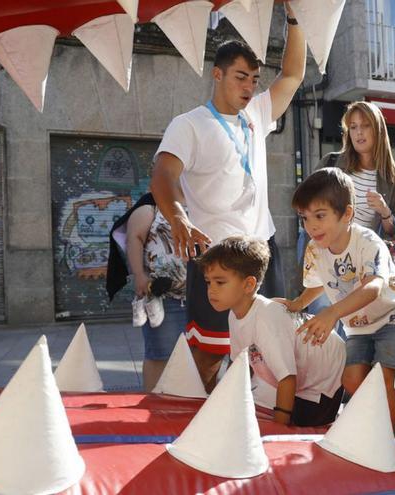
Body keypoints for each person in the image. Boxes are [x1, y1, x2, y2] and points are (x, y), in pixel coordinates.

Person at [150, 10, 306, 393]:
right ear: (216, 74)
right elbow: (162, 176)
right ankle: (195, 426)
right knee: (209, 352)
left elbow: (293, 75)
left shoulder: (257, 113)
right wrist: (178, 217)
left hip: (262, 249)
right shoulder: (189, 124)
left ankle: (253, 422)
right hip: (217, 251)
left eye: (254, 80)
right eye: (241, 77)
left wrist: (295, 20)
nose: (250, 87)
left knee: (266, 348)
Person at [277, 168, 395, 430]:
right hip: (359, 325)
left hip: (393, 317)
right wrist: (297, 304)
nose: (311, 226)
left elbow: (373, 287)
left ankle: (385, 444)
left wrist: (332, 314)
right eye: (305, 218)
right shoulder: (314, 250)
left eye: (320, 216)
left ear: (347, 214)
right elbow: (317, 285)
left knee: (381, 378)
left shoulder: (367, 241)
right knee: (352, 381)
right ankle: (393, 402)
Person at [197, 236, 345, 426]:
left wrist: (278, 428)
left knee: (296, 424)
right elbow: (239, 366)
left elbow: (288, 378)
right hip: (299, 377)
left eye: (220, 282)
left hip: (322, 384)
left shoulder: (266, 317)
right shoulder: (234, 315)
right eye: (208, 282)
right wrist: (222, 404)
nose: (211, 290)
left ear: (248, 284)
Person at [106, 193, 187, 391]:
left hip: (203, 296)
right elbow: (134, 239)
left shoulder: (201, 201)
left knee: (197, 353)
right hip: (164, 296)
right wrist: (140, 276)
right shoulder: (150, 207)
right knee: (160, 354)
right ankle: (153, 403)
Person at [317, 101, 395, 240]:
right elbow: (305, 208)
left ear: (378, 130)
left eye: (365, 125)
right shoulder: (330, 164)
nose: (359, 132)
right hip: (325, 255)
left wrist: (385, 211)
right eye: (353, 127)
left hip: (365, 258)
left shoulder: (393, 179)